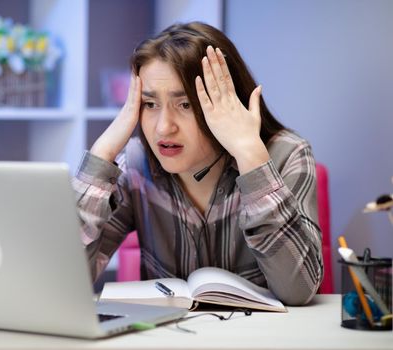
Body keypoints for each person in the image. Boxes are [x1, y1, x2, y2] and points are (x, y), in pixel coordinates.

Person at [72, 22, 323, 305]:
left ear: (229, 102)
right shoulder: (135, 164)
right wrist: (103, 153)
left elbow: (298, 290)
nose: (163, 129)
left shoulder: (287, 156)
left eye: (186, 105)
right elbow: (65, 280)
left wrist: (252, 158)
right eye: (150, 105)